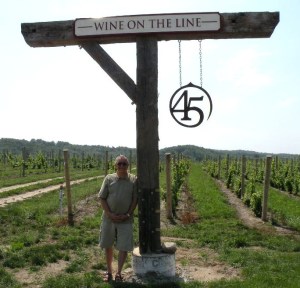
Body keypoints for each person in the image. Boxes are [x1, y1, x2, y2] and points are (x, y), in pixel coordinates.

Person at [98, 155, 138, 282]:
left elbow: (135, 200)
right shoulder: (109, 179)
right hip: (109, 218)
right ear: (115, 165)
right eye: (119, 164)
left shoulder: (133, 180)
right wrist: (109, 214)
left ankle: (119, 273)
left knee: (123, 246)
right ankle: (109, 272)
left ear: (128, 166)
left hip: (125, 219)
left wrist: (127, 214)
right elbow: (102, 198)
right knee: (107, 244)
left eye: (124, 164)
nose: (121, 166)